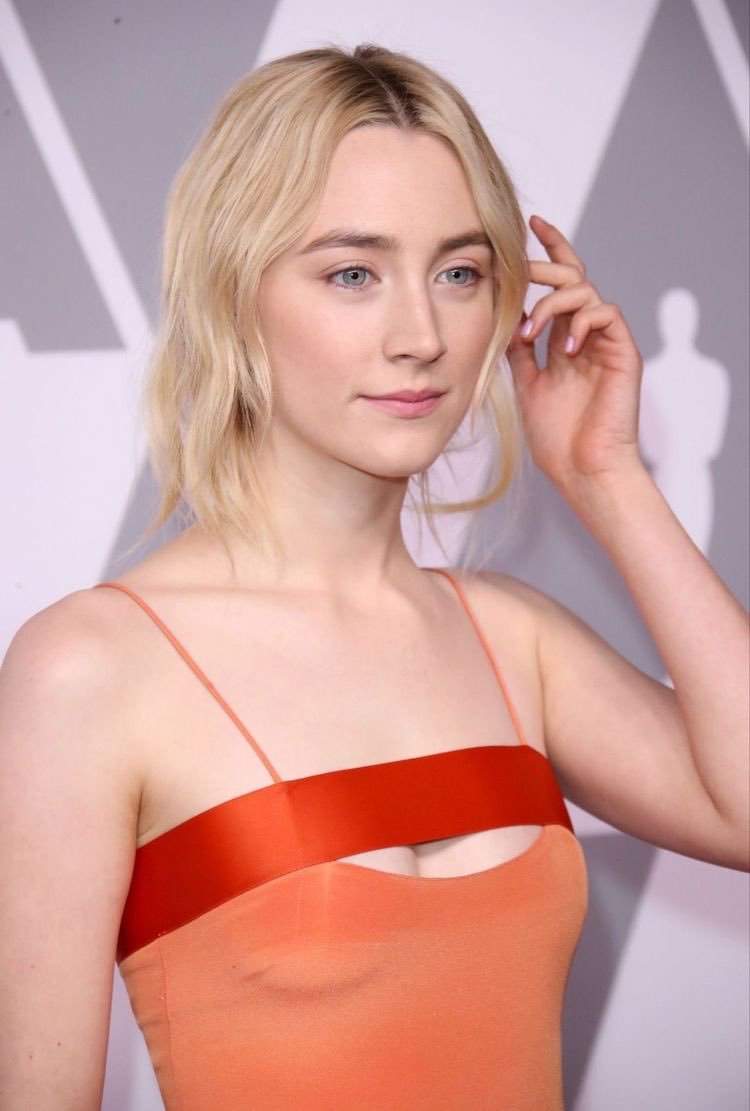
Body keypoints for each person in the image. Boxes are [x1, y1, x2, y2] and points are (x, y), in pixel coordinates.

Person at [1, 42, 747, 1111]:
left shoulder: (513, 638)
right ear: (232, 293)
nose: (422, 336)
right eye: (353, 273)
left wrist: (609, 477)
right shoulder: (89, 668)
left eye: (460, 273)